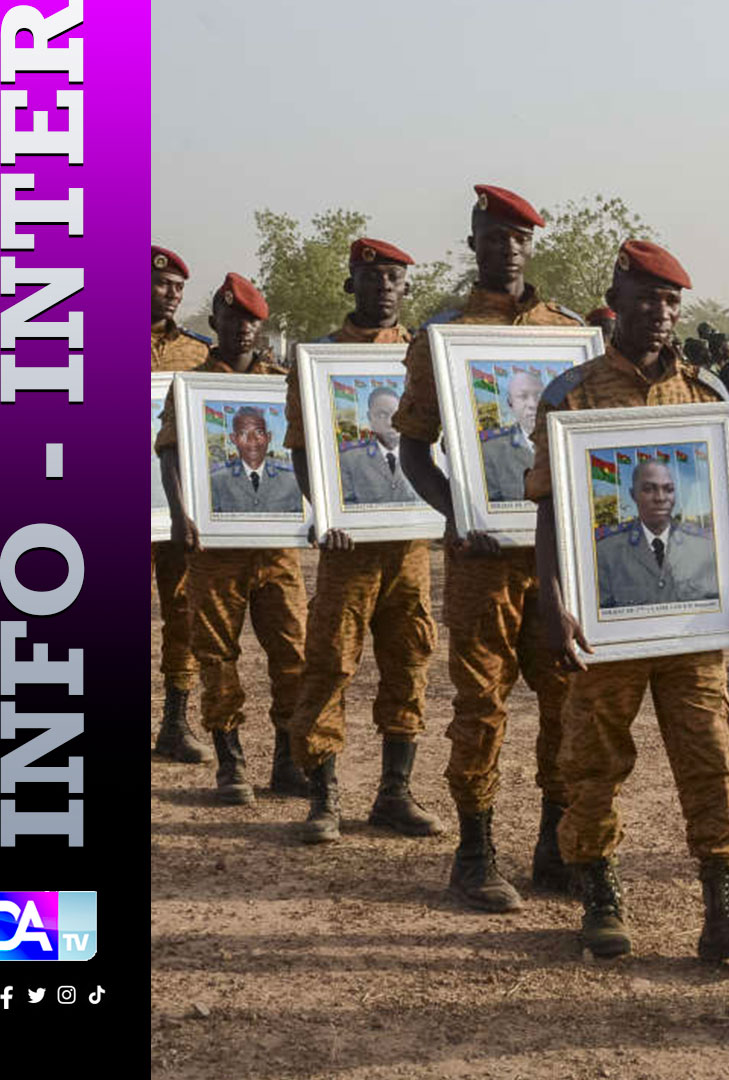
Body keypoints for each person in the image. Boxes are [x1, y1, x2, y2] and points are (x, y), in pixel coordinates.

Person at [531, 239, 729, 966]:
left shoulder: (705, 396)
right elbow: (552, 511)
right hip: (606, 625)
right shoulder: (572, 395)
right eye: (647, 298)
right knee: (595, 760)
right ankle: (600, 896)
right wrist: (552, 601)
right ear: (618, 296)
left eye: (672, 301)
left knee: (713, 758)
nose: (660, 313)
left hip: (690, 625)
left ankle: (726, 909)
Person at [390, 184, 582, 912]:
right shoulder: (442, 337)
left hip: (554, 560)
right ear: (473, 243)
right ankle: (475, 853)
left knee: (566, 699)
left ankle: (555, 846)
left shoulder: (566, 337)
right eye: (493, 236)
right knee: (481, 705)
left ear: (532, 248)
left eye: (519, 237)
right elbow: (414, 450)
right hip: (480, 561)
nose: (506, 248)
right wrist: (459, 510)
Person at [283, 236, 440, 845]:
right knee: (330, 662)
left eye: (395, 280)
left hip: (411, 547)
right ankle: (323, 796)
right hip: (349, 548)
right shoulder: (320, 359)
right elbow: (301, 449)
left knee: (411, 661)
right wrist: (325, 512)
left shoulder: (426, 356)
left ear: (406, 289)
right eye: (371, 279)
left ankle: (394, 793)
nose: (383, 290)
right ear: (351, 284)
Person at [155, 273, 310, 805]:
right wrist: (181, 514)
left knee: (291, 654)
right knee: (217, 655)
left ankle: (288, 762)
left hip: (277, 549)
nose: (243, 329)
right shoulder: (193, 384)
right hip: (214, 551)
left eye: (252, 321)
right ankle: (231, 764)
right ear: (215, 321)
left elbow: (311, 454)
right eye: (234, 319)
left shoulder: (285, 383)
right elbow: (170, 451)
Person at [151, 245, 214, 764]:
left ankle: (175, 721)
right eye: (161, 284)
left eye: (177, 288)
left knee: (181, 610)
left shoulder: (198, 354)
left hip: (178, 507)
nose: (170, 295)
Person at [595, 460, 722, 608]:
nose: (661, 498)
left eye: (668, 489)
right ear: (633, 494)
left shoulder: (704, 548)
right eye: (649, 489)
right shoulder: (606, 552)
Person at [208, 407, 303, 514]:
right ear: (233, 438)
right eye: (243, 433)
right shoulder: (217, 480)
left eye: (259, 432)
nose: (252, 439)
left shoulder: (292, 480)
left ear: (268, 437)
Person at [339, 387, 419, 505]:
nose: (390, 422)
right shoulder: (350, 459)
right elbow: (346, 507)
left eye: (396, 414)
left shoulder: (421, 456)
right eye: (382, 415)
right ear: (370, 417)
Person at [481, 369, 544, 503]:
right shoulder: (491, 452)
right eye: (523, 396)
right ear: (510, 403)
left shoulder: (569, 443)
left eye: (538, 396)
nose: (533, 404)